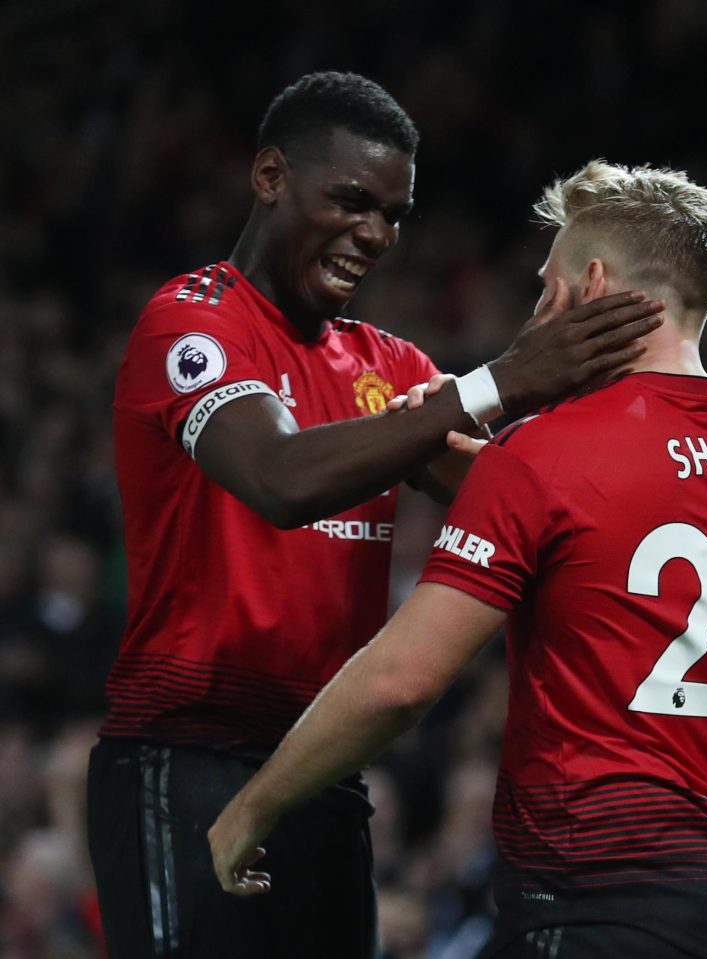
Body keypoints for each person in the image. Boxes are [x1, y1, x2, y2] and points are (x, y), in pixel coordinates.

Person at [86, 73, 665, 959]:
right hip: (186, 760)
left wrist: (630, 409)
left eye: (393, 214)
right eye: (352, 201)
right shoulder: (190, 322)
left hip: (320, 775)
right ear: (271, 177)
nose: (375, 234)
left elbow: (518, 510)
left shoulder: (390, 368)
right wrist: (498, 382)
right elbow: (278, 476)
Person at [207, 159, 707, 959]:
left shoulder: (545, 454)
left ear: (589, 283)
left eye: (545, 286)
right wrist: (491, 488)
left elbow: (404, 679)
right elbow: (632, 540)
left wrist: (252, 806)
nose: (534, 311)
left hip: (594, 894)